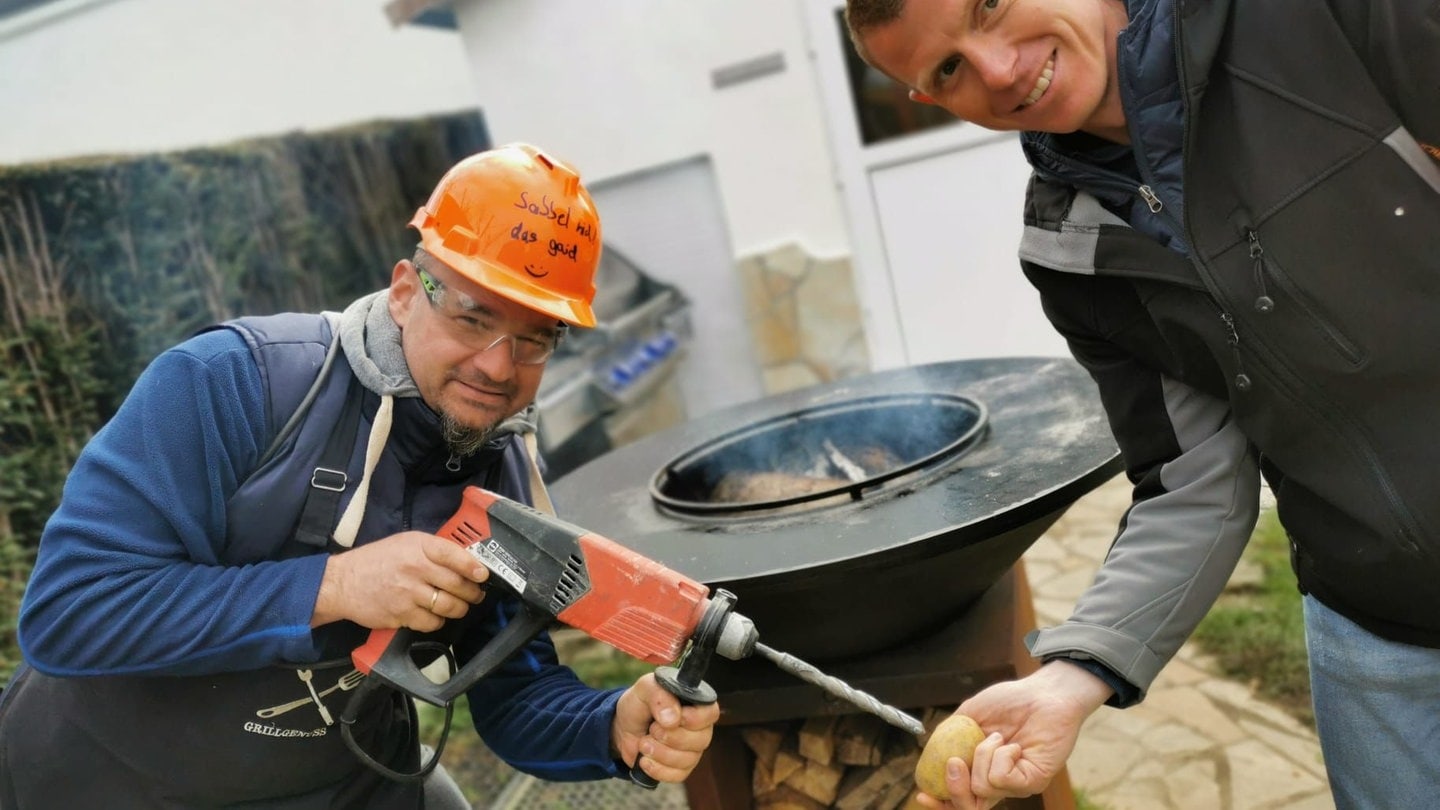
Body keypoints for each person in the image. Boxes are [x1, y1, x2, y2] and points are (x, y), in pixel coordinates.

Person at [843, 0, 1440, 808]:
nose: (998, 71)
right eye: (947, 69)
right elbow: (1192, 483)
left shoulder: (1320, 19)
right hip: (1373, 638)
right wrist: (1074, 672)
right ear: (928, 101)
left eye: (990, 6)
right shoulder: (1069, 249)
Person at [0, 142, 720, 808]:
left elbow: (513, 691)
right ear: (406, 291)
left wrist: (612, 725)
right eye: (473, 318)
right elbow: (69, 612)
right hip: (98, 783)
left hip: (342, 786)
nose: (499, 367)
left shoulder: (501, 475)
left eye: (534, 340)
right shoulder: (233, 384)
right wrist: (335, 586)